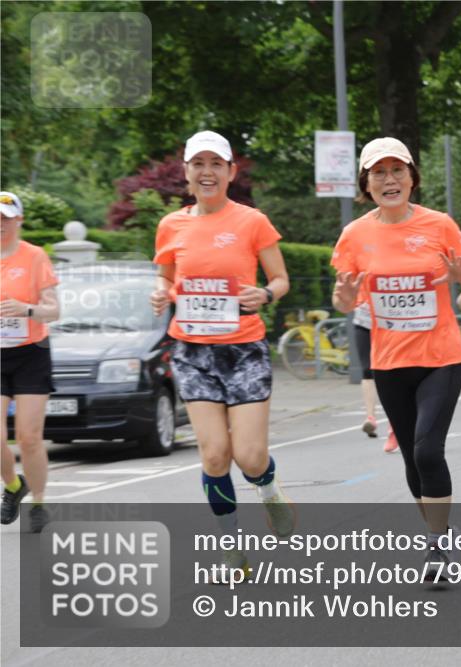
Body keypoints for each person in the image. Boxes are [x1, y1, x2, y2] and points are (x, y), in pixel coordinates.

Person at [331, 137, 461, 579]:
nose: (389, 179)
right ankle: (441, 532)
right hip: (389, 363)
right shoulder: (355, 235)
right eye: (378, 173)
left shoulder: (438, 225)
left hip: (440, 357)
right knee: (411, 462)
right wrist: (343, 296)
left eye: (397, 170)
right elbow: (345, 298)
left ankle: (437, 548)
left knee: (426, 450)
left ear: (412, 177)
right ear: (366, 183)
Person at [150, 131, 295, 577]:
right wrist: (160, 294)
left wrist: (265, 295)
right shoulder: (171, 226)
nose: (207, 172)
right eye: (199, 164)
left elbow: (280, 279)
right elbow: (166, 278)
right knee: (214, 455)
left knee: (249, 457)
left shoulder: (252, 221)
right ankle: (231, 544)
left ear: (231, 172)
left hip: (244, 350)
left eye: (217, 163)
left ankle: (269, 494)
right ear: (187, 173)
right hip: (194, 351)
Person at [0, 192, 60, 532]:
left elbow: (54, 310)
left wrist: (27, 309)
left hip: (31, 353)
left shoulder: (35, 257)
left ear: (18, 220)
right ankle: (12, 486)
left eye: (6, 217)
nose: (0, 224)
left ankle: (38, 503)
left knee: (28, 437)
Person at [351, 301, 398, 452]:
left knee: (391, 372)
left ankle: (395, 427)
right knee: (367, 370)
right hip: (364, 321)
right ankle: (370, 417)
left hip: (391, 323)